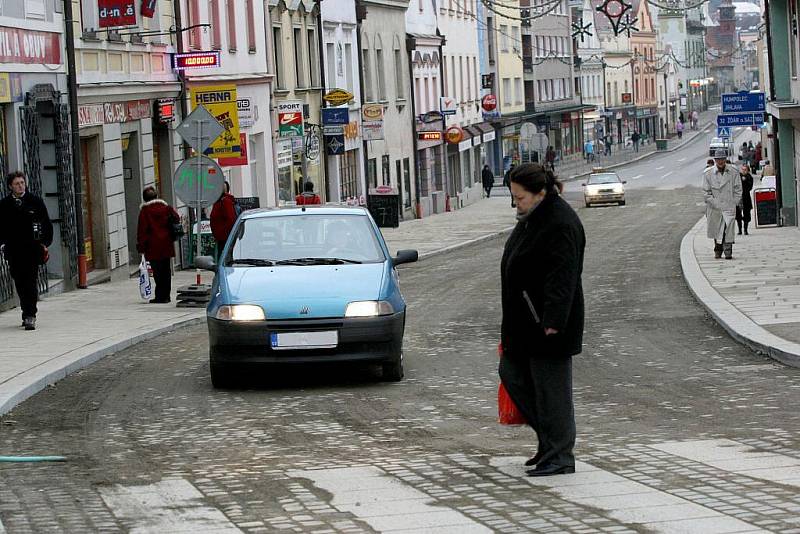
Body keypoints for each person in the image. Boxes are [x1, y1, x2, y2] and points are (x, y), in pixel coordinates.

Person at [499, 163, 585, 477]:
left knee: (552, 394)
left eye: (519, 198)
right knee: (514, 375)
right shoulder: (532, 217)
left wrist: (553, 321)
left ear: (540, 193)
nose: (515, 204)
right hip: (524, 324)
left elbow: (563, 277)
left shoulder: (559, 222)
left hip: (547, 326)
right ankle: (548, 443)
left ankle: (560, 454)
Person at [0, 171, 53, 330]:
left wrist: (44, 243)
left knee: (30, 282)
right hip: (14, 250)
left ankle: (31, 315)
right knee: (20, 282)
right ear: (10, 186)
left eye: (22, 183)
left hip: (32, 249)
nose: (20, 186)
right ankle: (25, 310)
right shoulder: (4, 205)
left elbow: (46, 224)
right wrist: (2, 244)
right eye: (17, 183)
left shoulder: (35, 202)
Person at [136, 186, 180, 303]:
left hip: (153, 246)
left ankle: (160, 296)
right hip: (166, 244)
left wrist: (141, 247)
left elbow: (142, 231)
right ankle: (167, 295)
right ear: (156, 196)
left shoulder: (145, 211)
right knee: (166, 271)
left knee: (157, 272)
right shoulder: (166, 208)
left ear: (145, 199)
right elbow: (176, 218)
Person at [703, 149, 742, 260]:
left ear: (725, 160)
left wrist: (734, 202)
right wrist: (714, 203)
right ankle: (718, 250)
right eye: (718, 159)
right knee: (717, 230)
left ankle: (728, 251)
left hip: (729, 205)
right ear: (715, 160)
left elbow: (738, 189)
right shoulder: (708, 174)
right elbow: (706, 193)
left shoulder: (733, 172)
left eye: (722, 159)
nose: (720, 161)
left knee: (727, 229)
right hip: (715, 207)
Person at [210, 181, 238, 252]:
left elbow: (231, 219)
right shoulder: (218, 201)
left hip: (225, 239)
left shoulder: (225, 201)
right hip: (221, 238)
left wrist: (222, 233)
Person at [736, 164, 754, 235]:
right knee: (738, 215)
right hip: (739, 198)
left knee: (746, 214)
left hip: (746, 198)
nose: (743, 171)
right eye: (742, 169)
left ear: (748, 170)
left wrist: (745, 180)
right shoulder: (738, 177)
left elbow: (750, 187)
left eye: (745, 170)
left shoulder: (749, 177)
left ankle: (745, 229)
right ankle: (739, 230)